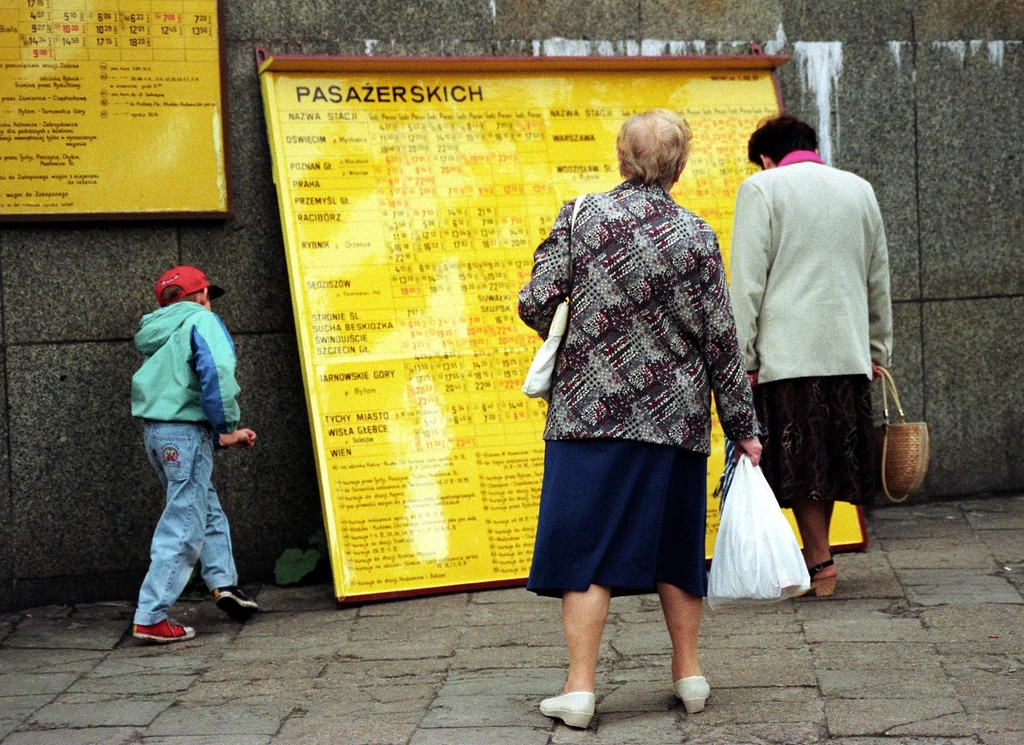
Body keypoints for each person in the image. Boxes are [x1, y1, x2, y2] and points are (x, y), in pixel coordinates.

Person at [518, 109, 762, 729]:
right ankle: (690, 676)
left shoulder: (580, 217)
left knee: (586, 551)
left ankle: (579, 688)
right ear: (679, 166)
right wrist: (743, 428)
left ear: (621, 159)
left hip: (588, 416)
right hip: (674, 420)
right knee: (676, 551)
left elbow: (535, 301)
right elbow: (720, 341)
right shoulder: (697, 234)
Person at [729, 115, 892, 597]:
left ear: (764, 157)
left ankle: (819, 563)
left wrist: (744, 357)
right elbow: (877, 274)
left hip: (787, 358)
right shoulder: (859, 189)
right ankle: (817, 559)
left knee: (803, 467)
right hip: (846, 353)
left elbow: (747, 282)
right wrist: (877, 348)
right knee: (831, 462)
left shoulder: (761, 189)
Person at [130, 265, 260, 644]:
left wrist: (217, 437)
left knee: (203, 503)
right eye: (208, 295)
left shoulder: (157, 331)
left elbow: (173, 390)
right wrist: (227, 428)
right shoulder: (202, 322)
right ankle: (151, 616)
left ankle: (224, 583)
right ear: (201, 294)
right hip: (187, 435)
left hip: (158, 434)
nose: (210, 302)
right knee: (184, 523)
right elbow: (217, 373)